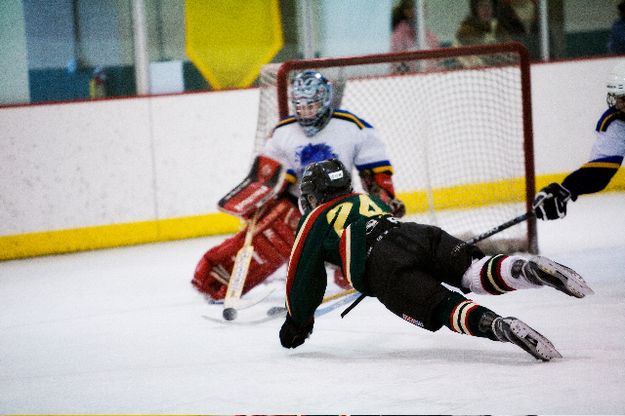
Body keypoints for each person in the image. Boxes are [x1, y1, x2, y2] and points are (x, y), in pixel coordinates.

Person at [279, 159, 593, 361]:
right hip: (418, 234)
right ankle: (526, 268)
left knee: (443, 305)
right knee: (473, 271)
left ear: (316, 195)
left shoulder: (316, 217)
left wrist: (298, 322)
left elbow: (303, 275)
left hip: (383, 265)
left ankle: (499, 326)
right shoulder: (368, 199)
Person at [192, 70, 405, 300]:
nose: (305, 112)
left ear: (324, 101)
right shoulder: (284, 132)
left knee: (355, 265)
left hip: (341, 205)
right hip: (298, 207)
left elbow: (375, 175)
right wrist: (260, 203)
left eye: (311, 105)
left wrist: (384, 199)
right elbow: (268, 178)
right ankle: (220, 278)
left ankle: (357, 270)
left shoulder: (353, 127)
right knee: (273, 233)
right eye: (300, 106)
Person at [533, 61, 625, 221]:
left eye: (623, 99)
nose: (618, 105)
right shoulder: (616, 123)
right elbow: (599, 174)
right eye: (617, 98)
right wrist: (566, 189)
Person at [390, 0, 439, 72]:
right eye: (419, 8)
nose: (423, 12)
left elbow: (438, 62)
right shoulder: (398, 36)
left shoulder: (429, 35)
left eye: (424, 7)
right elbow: (394, 68)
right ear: (407, 12)